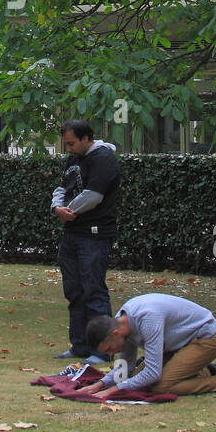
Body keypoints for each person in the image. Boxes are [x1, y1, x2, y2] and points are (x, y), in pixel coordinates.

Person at [51, 119, 120, 360]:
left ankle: (103, 350)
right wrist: (56, 208)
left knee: (93, 291)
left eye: (71, 144)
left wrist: (68, 211)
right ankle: (79, 345)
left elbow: (94, 195)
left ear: (85, 138)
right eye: (66, 145)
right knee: (74, 291)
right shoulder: (74, 158)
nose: (68, 149)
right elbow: (61, 187)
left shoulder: (103, 158)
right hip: (72, 234)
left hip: (94, 234)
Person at [83, 293, 216, 397]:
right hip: (179, 343)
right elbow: (125, 367)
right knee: (136, 378)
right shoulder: (120, 323)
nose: (111, 354)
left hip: (206, 339)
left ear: (115, 334)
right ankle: (200, 370)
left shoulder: (148, 318)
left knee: (160, 387)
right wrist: (99, 385)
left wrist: (113, 390)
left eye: (109, 349)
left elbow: (152, 373)